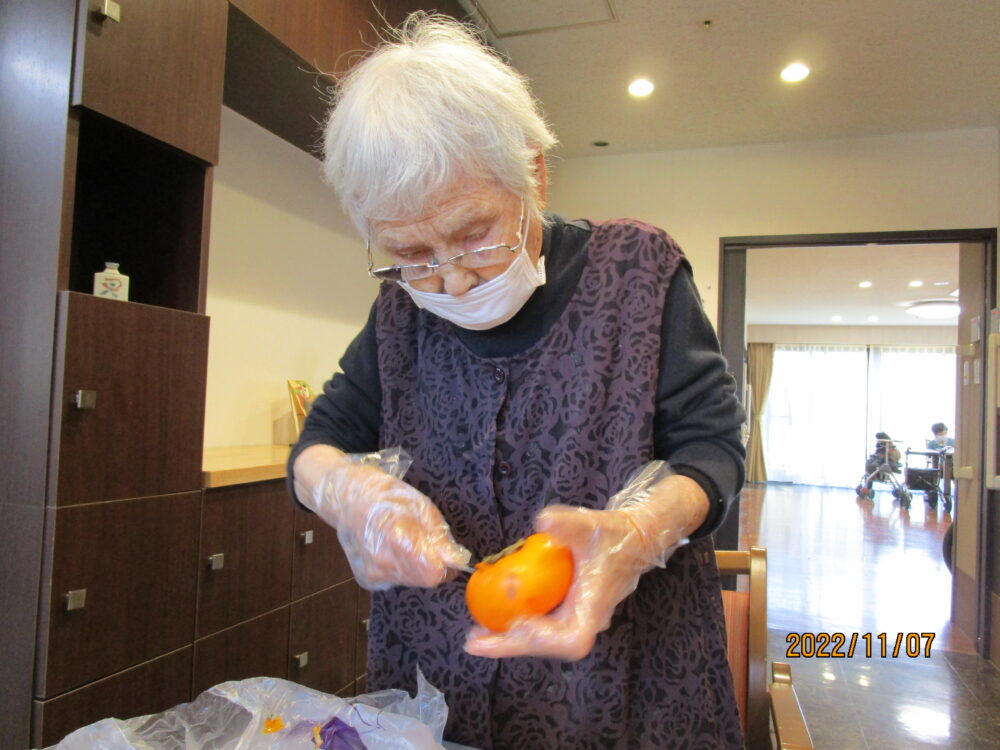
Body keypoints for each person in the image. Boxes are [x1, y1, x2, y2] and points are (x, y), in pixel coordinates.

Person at [287, 13, 746, 749]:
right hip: (442, 685)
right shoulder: (399, 314)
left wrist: (636, 534)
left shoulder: (639, 274)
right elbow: (319, 443)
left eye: (474, 234)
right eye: (410, 251)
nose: (451, 275)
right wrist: (348, 497)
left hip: (626, 681)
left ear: (533, 172)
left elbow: (715, 449)